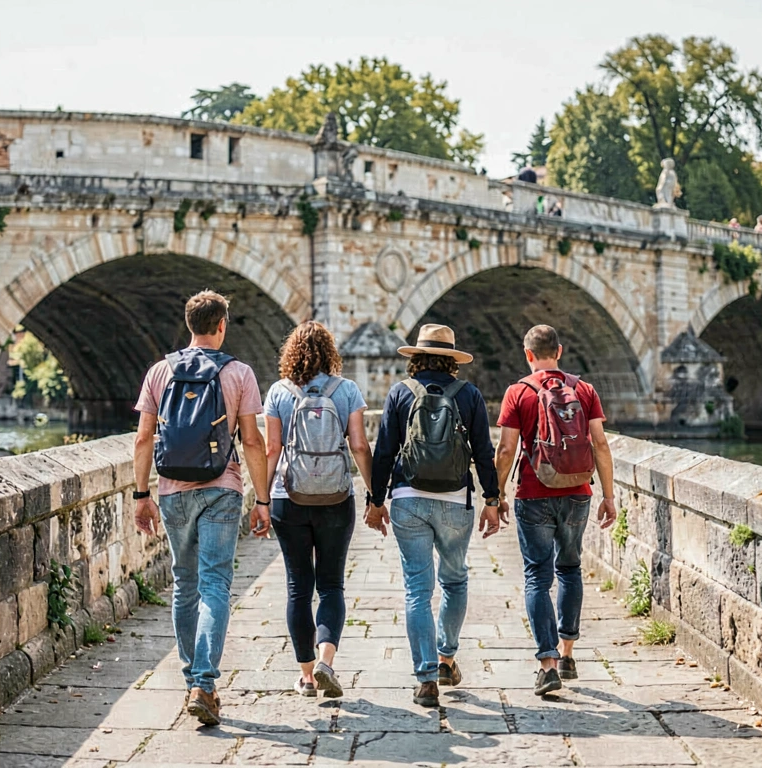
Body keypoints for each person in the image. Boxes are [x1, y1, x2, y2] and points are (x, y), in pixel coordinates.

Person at [133, 290, 272, 727]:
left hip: (172, 491)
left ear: (189, 325)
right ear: (222, 325)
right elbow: (252, 440)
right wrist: (262, 499)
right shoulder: (239, 373)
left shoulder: (160, 371)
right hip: (222, 488)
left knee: (183, 583)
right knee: (215, 584)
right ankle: (205, 684)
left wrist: (141, 495)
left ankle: (193, 676)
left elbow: (143, 439)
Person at [366, 324, 501, 708]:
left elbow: (384, 452)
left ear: (417, 357)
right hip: (456, 500)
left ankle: (425, 677)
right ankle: (446, 657)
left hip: (408, 498)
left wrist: (376, 501)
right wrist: (492, 498)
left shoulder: (400, 394)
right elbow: (483, 453)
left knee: (416, 590)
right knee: (455, 581)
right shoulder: (469, 395)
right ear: (452, 360)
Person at [494, 325, 617, 696]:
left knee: (537, 577)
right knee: (570, 568)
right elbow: (599, 443)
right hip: (579, 490)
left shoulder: (518, 392)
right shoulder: (585, 390)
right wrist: (608, 496)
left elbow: (505, 451)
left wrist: (496, 495)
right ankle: (567, 653)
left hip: (533, 492)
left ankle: (547, 663)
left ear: (528, 354)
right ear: (559, 351)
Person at [263, 321, 373, 699]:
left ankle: (307, 677)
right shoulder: (347, 391)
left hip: (287, 496)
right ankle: (327, 660)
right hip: (336, 498)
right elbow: (359, 446)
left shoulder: (279, 392)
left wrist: (262, 499)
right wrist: (375, 494)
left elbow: (271, 449)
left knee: (298, 586)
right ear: (331, 353)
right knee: (331, 584)